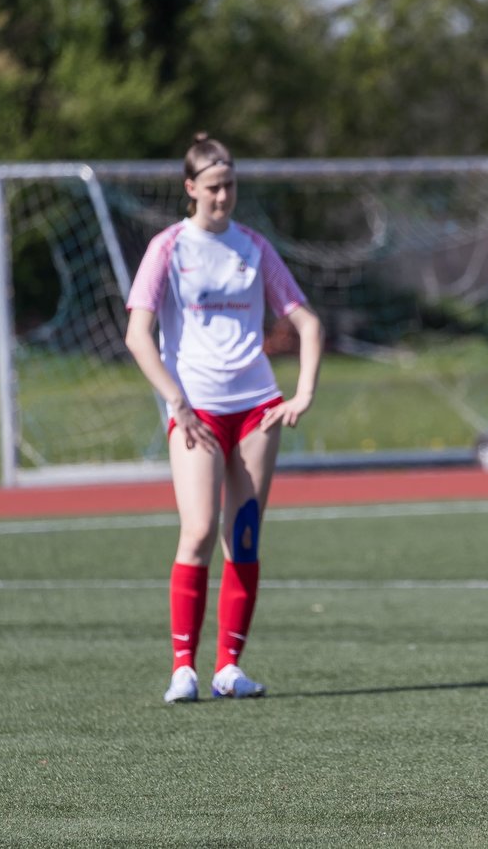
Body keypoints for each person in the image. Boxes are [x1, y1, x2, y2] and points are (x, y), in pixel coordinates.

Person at [124, 133, 323, 704]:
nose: (223, 195)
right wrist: (176, 400)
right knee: (199, 530)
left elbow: (307, 323)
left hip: (257, 406)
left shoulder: (254, 246)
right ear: (191, 188)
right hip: (196, 411)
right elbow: (138, 335)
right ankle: (183, 667)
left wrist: (302, 393)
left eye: (230, 184)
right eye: (213, 186)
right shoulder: (167, 248)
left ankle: (228, 667)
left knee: (244, 535)